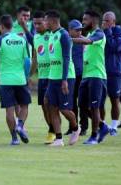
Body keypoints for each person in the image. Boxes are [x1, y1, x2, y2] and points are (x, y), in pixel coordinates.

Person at [0, 14, 30, 145]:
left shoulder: (0, 39)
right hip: (20, 79)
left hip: (5, 81)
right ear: (12, 26)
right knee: (24, 106)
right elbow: (27, 61)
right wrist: (26, 75)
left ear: (1, 26)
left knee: (9, 110)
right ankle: (20, 125)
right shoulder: (22, 39)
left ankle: (14, 138)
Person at [42, 11, 80, 147]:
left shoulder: (64, 35)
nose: (43, 23)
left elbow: (66, 58)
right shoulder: (51, 35)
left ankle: (76, 128)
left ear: (52, 21)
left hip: (66, 77)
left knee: (64, 109)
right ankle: (59, 139)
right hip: (53, 77)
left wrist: (64, 80)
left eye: (45, 21)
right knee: (51, 105)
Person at [72, 10, 110, 145]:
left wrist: (69, 39)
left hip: (97, 76)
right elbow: (84, 39)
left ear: (93, 21)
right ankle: (102, 126)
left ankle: (94, 136)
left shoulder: (99, 34)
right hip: (86, 76)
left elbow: (87, 41)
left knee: (94, 107)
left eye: (85, 19)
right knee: (82, 105)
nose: (83, 22)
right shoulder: (90, 33)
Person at [27, 11, 56, 144]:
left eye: (40, 23)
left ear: (46, 22)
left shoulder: (53, 35)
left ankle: (56, 131)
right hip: (42, 77)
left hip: (53, 76)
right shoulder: (35, 37)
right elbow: (35, 58)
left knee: (50, 105)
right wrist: (30, 75)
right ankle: (52, 130)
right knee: (44, 107)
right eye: (35, 24)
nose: (37, 26)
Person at [101, 11, 121, 135]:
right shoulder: (101, 33)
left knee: (114, 100)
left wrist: (108, 31)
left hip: (115, 72)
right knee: (100, 101)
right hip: (101, 72)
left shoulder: (120, 33)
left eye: (107, 21)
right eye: (103, 20)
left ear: (113, 22)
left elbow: (114, 47)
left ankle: (114, 127)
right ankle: (103, 126)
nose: (104, 23)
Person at [68, 19, 88, 136]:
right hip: (71, 75)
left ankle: (84, 127)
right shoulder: (67, 41)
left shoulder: (84, 40)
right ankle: (73, 127)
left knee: (82, 103)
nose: (79, 32)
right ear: (70, 30)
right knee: (71, 103)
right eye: (77, 30)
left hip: (82, 75)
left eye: (80, 30)